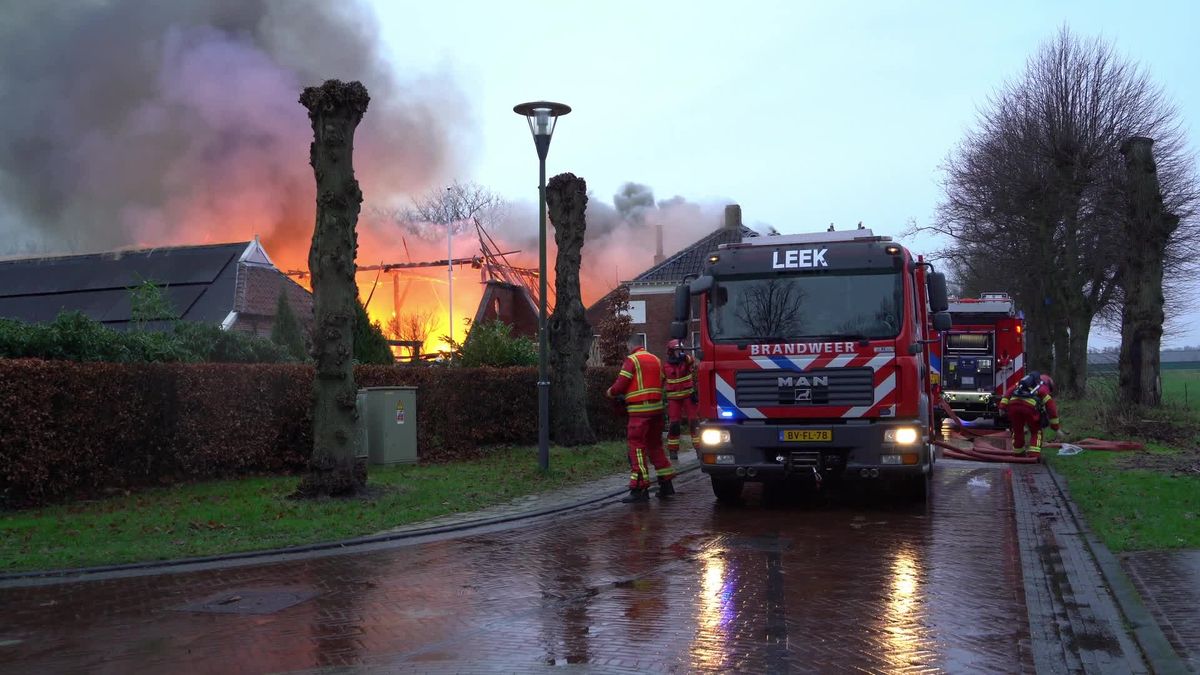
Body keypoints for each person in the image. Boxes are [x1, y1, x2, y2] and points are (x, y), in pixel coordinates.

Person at [606, 334, 676, 502]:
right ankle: (666, 485)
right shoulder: (655, 359)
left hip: (639, 411)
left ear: (630, 346)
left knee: (636, 447)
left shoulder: (632, 360)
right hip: (657, 410)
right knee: (655, 446)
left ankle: (640, 488)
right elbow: (662, 380)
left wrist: (610, 392)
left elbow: (621, 383)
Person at [998, 371, 1061, 459]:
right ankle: (1033, 455)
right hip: (1029, 408)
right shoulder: (1043, 388)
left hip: (1013, 406)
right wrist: (1055, 427)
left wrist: (1002, 407)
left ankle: (1018, 453)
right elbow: (1051, 409)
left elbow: (1008, 392)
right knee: (1036, 431)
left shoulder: (1021, 384)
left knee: (1017, 430)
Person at [663, 339, 700, 460]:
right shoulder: (666, 366)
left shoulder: (686, 361)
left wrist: (684, 357)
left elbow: (691, 360)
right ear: (671, 352)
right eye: (676, 350)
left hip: (688, 396)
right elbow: (661, 380)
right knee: (674, 425)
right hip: (674, 399)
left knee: (694, 422)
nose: (679, 353)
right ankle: (673, 451)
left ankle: (699, 448)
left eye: (680, 350)